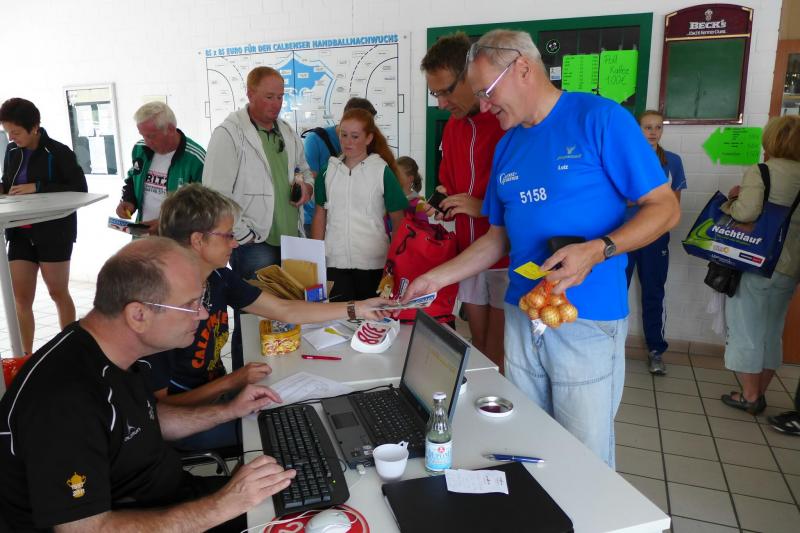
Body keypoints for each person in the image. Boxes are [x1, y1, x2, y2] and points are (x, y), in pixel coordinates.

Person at [403, 29, 680, 468]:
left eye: (488, 92)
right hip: (522, 313)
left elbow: (665, 207)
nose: (484, 106)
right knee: (528, 444)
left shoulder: (600, 119)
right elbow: (497, 238)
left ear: (523, 68)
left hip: (585, 315)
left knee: (583, 455)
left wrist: (599, 249)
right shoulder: (508, 144)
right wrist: (433, 279)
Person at [0, 237, 295, 532]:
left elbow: (146, 419)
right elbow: (86, 529)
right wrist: (224, 505)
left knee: (301, 494)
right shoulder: (64, 402)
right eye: (190, 305)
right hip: (140, 520)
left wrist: (229, 411)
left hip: (170, 500)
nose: (203, 313)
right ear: (138, 315)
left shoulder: (111, 350)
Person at [151, 184, 392, 449]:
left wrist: (358, 307)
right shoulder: (160, 305)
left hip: (220, 396)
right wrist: (232, 382)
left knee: (304, 415)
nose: (235, 243)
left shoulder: (218, 277)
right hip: (190, 422)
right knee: (293, 430)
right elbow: (159, 411)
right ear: (198, 240)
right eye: (228, 235)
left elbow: (284, 309)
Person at [203, 66, 314, 370]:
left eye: (280, 97)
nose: (276, 104)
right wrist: (242, 233)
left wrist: (306, 187)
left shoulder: (286, 131)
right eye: (268, 96)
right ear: (250, 94)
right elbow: (215, 194)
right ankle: (246, 377)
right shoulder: (229, 134)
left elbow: (305, 170)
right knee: (253, 316)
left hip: (290, 240)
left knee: (287, 312)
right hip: (254, 243)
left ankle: (284, 374)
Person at [420, 32, 510, 373]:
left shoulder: (506, 123)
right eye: (435, 94)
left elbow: (528, 200)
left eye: (446, 91)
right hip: (467, 255)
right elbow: (449, 182)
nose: (441, 104)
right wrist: (442, 201)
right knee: (481, 349)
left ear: (471, 76)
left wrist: (481, 206)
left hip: (507, 257)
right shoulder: (453, 128)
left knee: (500, 355)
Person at [720, 115, 800, 415]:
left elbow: (746, 213)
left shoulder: (762, 171)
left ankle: (750, 396)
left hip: (757, 262)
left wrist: (732, 199)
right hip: (791, 265)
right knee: (771, 330)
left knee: (746, 328)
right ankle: (760, 392)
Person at [0, 97, 88, 355]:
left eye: (16, 132)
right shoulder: (12, 151)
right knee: (20, 299)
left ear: (34, 127)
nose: (11, 138)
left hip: (54, 233)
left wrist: (38, 187)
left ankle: (69, 352)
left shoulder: (58, 152)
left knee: (57, 293)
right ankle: (24, 357)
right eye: (7, 132)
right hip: (19, 232)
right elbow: (8, 183)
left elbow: (79, 188)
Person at [311, 108, 408, 302]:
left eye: (355, 136)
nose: (348, 141)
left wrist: (394, 261)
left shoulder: (381, 171)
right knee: (339, 317)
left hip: (374, 264)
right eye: (343, 135)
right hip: (335, 262)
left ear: (368, 138)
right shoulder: (327, 172)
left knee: (371, 317)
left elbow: (399, 221)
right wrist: (315, 258)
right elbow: (320, 215)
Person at [626, 110, 687, 375]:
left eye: (658, 127)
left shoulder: (672, 161)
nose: (653, 132)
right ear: (637, 129)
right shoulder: (624, 157)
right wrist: (649, 201)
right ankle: (609, 346)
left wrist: (642, 202)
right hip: (623, 237)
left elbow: (673, 207)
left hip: (655, 238)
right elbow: (616, 200)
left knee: (653, 293)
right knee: (615, 291)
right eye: (647, 127)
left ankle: (655, 351)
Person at [116, 101, 205, 235]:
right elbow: (132, 179)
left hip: (177, 238)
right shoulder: (140, 149)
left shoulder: (196, 159)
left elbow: (203, 207)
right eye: (142, 135)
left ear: (170, 129)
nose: (146, 142)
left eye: (151, 136)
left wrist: (166, 224)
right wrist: (129, 200)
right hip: (143, 235)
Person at [302, 97, 378, 235]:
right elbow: (311, 182)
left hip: (350, 220)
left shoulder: (369, 145)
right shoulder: (314, 140)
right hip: (317, 219)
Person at [396, 155, 428, 223]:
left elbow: (423, 226)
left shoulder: (420, 203)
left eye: (397, 175)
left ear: (410, 178)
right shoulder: (389, 200)